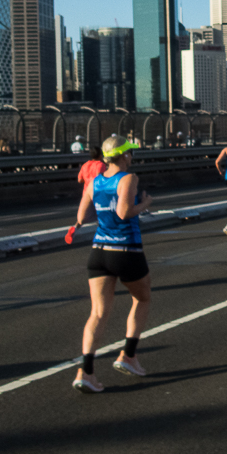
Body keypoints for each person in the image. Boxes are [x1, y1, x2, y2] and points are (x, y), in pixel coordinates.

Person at [70, 135, 153, 393]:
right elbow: (124, 212)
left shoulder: (94, 181)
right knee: (142, 299)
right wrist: (145, 204)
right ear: (123, 156)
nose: (131, 158)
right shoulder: (129, 178)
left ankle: (86, 372)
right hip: (126, 249)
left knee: (98, 312)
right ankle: (128, 356)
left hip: (99, 252)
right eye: (130, 153)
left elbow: (82, 215)